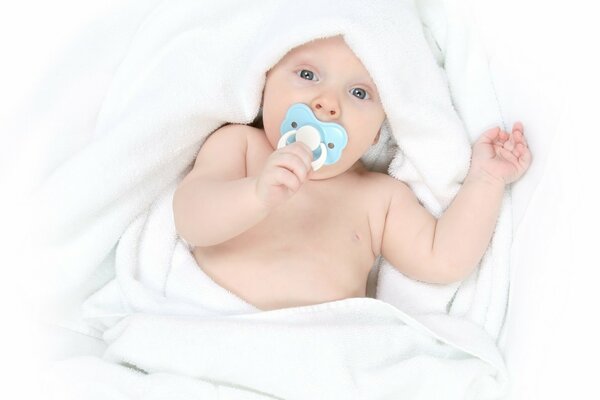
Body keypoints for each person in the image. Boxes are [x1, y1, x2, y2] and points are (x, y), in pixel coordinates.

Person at [172, 35, 532, 311]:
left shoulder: (379, 198)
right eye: (307, 74)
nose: (327, 103)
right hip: (216, 321)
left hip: (323, 349)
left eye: (359, 93)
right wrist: (255, 194)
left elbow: (443, 259)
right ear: (265, 85)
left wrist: (485, 180)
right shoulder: (242, 147)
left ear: (378, 131)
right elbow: (191, 219)